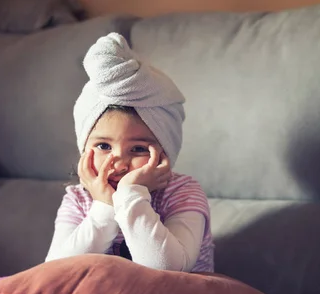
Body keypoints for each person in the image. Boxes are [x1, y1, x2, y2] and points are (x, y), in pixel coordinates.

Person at [45, 32, 214, 273]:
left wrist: (130, 195)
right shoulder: (78, 199)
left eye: (138, 149)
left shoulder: (182, 193)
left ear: (166, 151)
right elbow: (54, 272)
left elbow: (167, 268)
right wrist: (104, 207)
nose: (120, 164)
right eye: (104, 146)